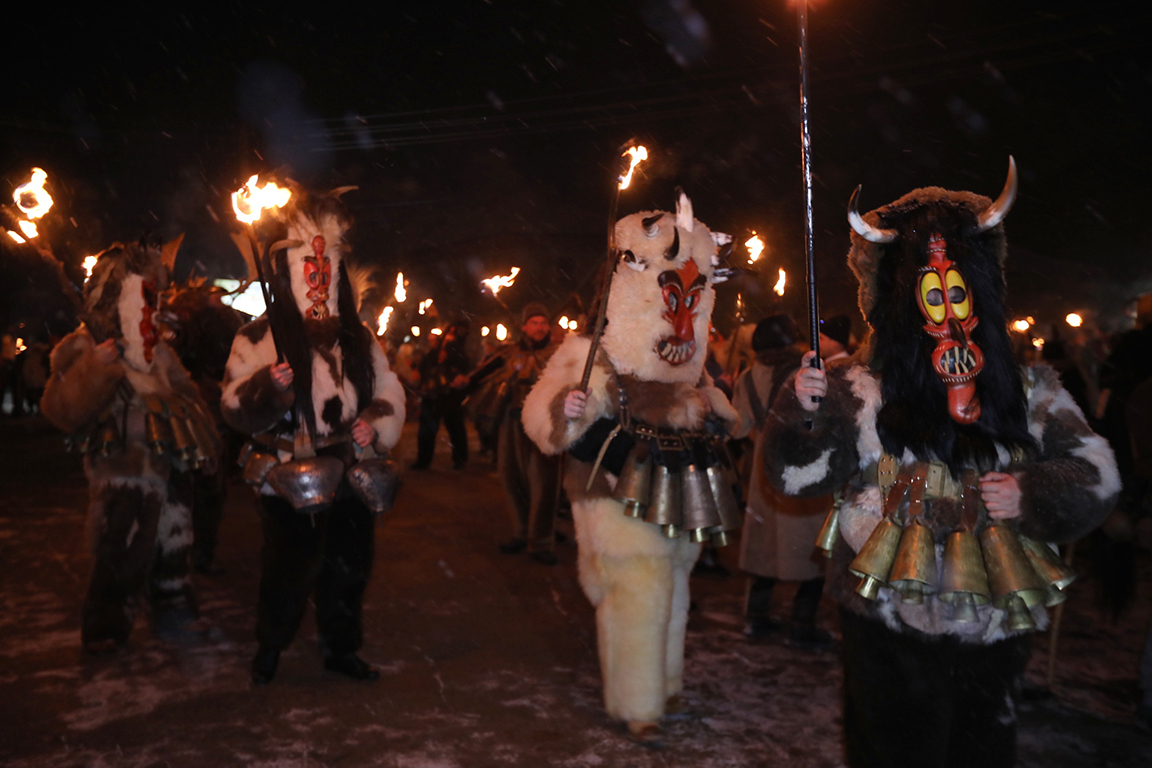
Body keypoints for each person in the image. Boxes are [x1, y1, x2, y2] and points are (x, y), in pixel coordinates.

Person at [763, 163, 1118, 767]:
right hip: (885, 619)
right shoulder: (856, 386)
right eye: (929, 295)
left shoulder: (1030, 390)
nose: (946, 314)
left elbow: (1098, 474)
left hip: (992, 624)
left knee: (979, 754)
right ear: (898, 303)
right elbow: (796, 477)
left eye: (958, 292)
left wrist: (1032, 493)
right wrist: (801, 412)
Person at [523, 194, 741, 741]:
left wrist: (712, 410)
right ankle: (638, 705)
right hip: (615, 496)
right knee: (638, 593)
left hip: (677, 496)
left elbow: (726, 416)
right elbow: (544, 421)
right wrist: (565, 408)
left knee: (672, 592)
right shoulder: (592, 356)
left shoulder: (688, 374)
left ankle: (664, 687)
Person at [220, 186, 405, 685]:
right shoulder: (257, 336)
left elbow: (389, 388)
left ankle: (340, 648)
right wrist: (269, 387)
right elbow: (234, 407)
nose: (318, 279)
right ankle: (271, 646)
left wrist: (376, 421)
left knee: (349, 568)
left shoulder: (358, 337)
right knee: (288, 568)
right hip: (288, 472)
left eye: (327, 271)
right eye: (309, 270)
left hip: (348, 469)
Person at [40, 238, 220, 654]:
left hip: (169, 464)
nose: (148, 308)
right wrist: (95, 369)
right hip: (123, 469)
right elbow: (60, 409)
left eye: (152, 298)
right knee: (121, 547)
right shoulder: (86, 345)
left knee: (175, 542)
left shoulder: (160, 354)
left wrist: (205, 446)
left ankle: (174, 610)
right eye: (141, 297)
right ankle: (106, 627)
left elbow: (187, 398)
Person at [732, 314, 832, 650]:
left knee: (764, 548)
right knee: (810, 552)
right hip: (800, 470)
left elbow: (739, 428)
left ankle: (755, 618)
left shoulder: (746, 377)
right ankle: (801, 626)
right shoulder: (804, 375)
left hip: (763, 470)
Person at [472, 302, 562, 564]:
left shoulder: (558, 353)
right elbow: (486, 372)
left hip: (544, 422)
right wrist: (466, 380)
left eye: (543, 323)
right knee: (512, 478)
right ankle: (521, 532)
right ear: (524, 326)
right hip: (511, 422)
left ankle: (542, 542)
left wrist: (534, 364)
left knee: (544, 484)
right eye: (534, 322)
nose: (539, 327)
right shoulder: (510, 352)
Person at [412, 322, 471, 470]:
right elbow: (423, 368)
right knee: (427, 430)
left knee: (456, 428)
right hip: (432, 396)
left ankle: (460, 459)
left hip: (450, 396)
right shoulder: (433, 353)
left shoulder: (458, 351)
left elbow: (465, 367)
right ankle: (423, 460)